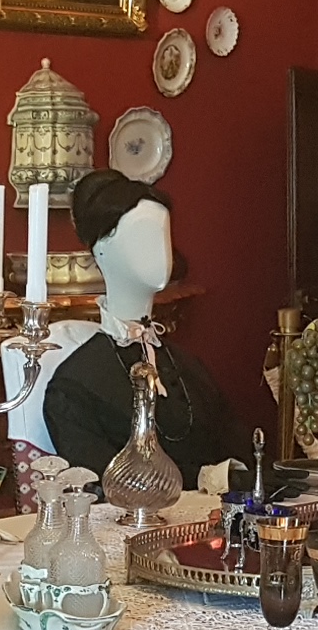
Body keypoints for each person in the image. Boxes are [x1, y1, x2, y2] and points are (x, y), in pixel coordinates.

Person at [39, 171, 254, 481]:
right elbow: (109, 481)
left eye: (164, 234)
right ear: (101, 248)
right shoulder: (74, 387)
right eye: (142, 234)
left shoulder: (191, 369)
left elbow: (242, 454)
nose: (161, 251)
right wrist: (208, 478)